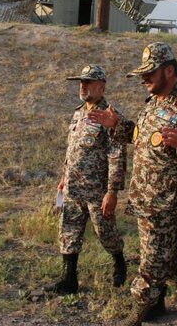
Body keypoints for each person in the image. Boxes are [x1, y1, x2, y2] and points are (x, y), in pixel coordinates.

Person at [87, 42, 177, 326]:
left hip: (170, 203)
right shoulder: (153, 104)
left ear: (169, 71)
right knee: (166, 261)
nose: (144, 78)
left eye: (150, 72)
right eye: (142, 73)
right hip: (145, 200)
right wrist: (117, 125)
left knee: (151, 266)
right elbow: (140, 137)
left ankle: (135, 317)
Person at [45, 64, 127, 295]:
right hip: (73, 187)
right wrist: (64, 177)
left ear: (101, 86)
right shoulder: (78, 112)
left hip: (96, 190)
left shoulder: (110, 116)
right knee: (68, 231)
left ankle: (120, 262)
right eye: (81, 82)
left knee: (106, 233)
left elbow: (116, 155)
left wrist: (112, 192)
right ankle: (69, 279)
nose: (83, 86)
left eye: (88, 82)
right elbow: (72, 150)